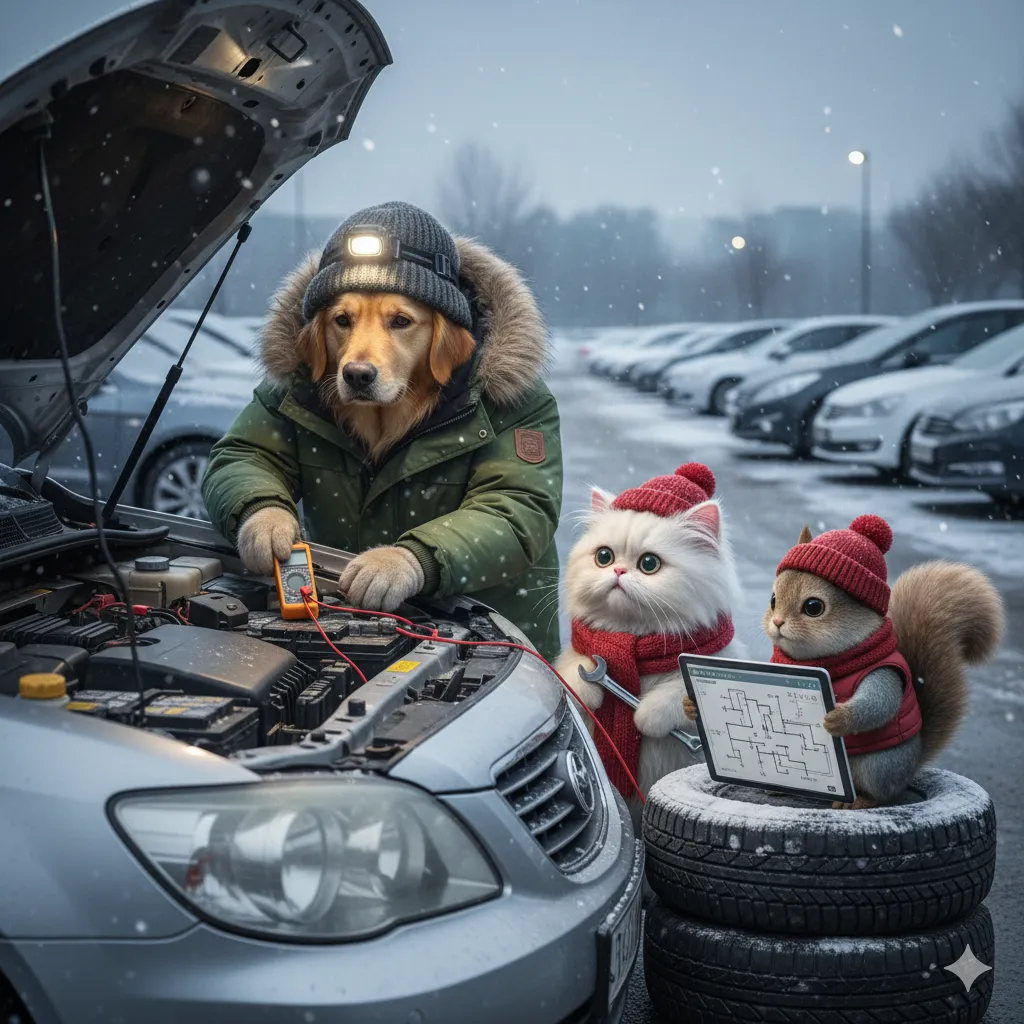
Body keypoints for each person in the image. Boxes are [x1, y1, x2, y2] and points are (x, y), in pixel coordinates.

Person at [201, 201, 563, 658]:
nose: (359, 360)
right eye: (344, 321)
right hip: (347, 636)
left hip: (493, 648)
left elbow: (517, 511)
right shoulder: (304, 386)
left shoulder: (512, 398)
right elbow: (243, 457)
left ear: (444, 341)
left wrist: (414, 561)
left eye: (399, 322)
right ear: (318, 335)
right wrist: (258, 509)